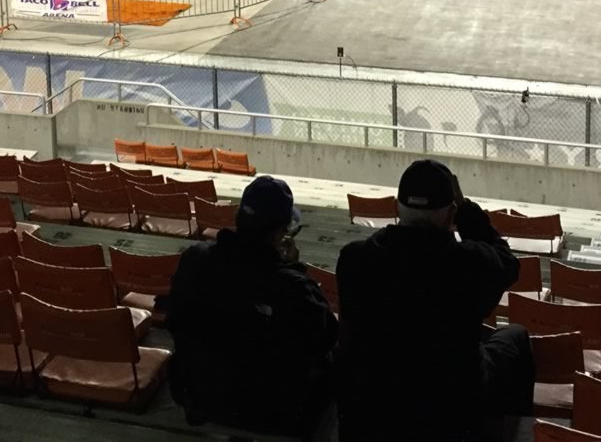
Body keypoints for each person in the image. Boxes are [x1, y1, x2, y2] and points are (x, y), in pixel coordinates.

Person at [336, 159, 533, 442]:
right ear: (451, 213)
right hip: (451, 405)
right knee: (515, 337)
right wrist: (467, 213)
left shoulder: (354, 259)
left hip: (372, 405)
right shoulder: (467, 263)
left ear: (395, 208)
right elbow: (507, 264)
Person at [166, 176, 337, 436]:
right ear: (282, 232)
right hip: (275, 411)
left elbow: (174, 320)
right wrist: (294, 269)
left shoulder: (194, 260)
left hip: (203, 395)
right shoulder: (291, 286)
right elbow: (326, 337)